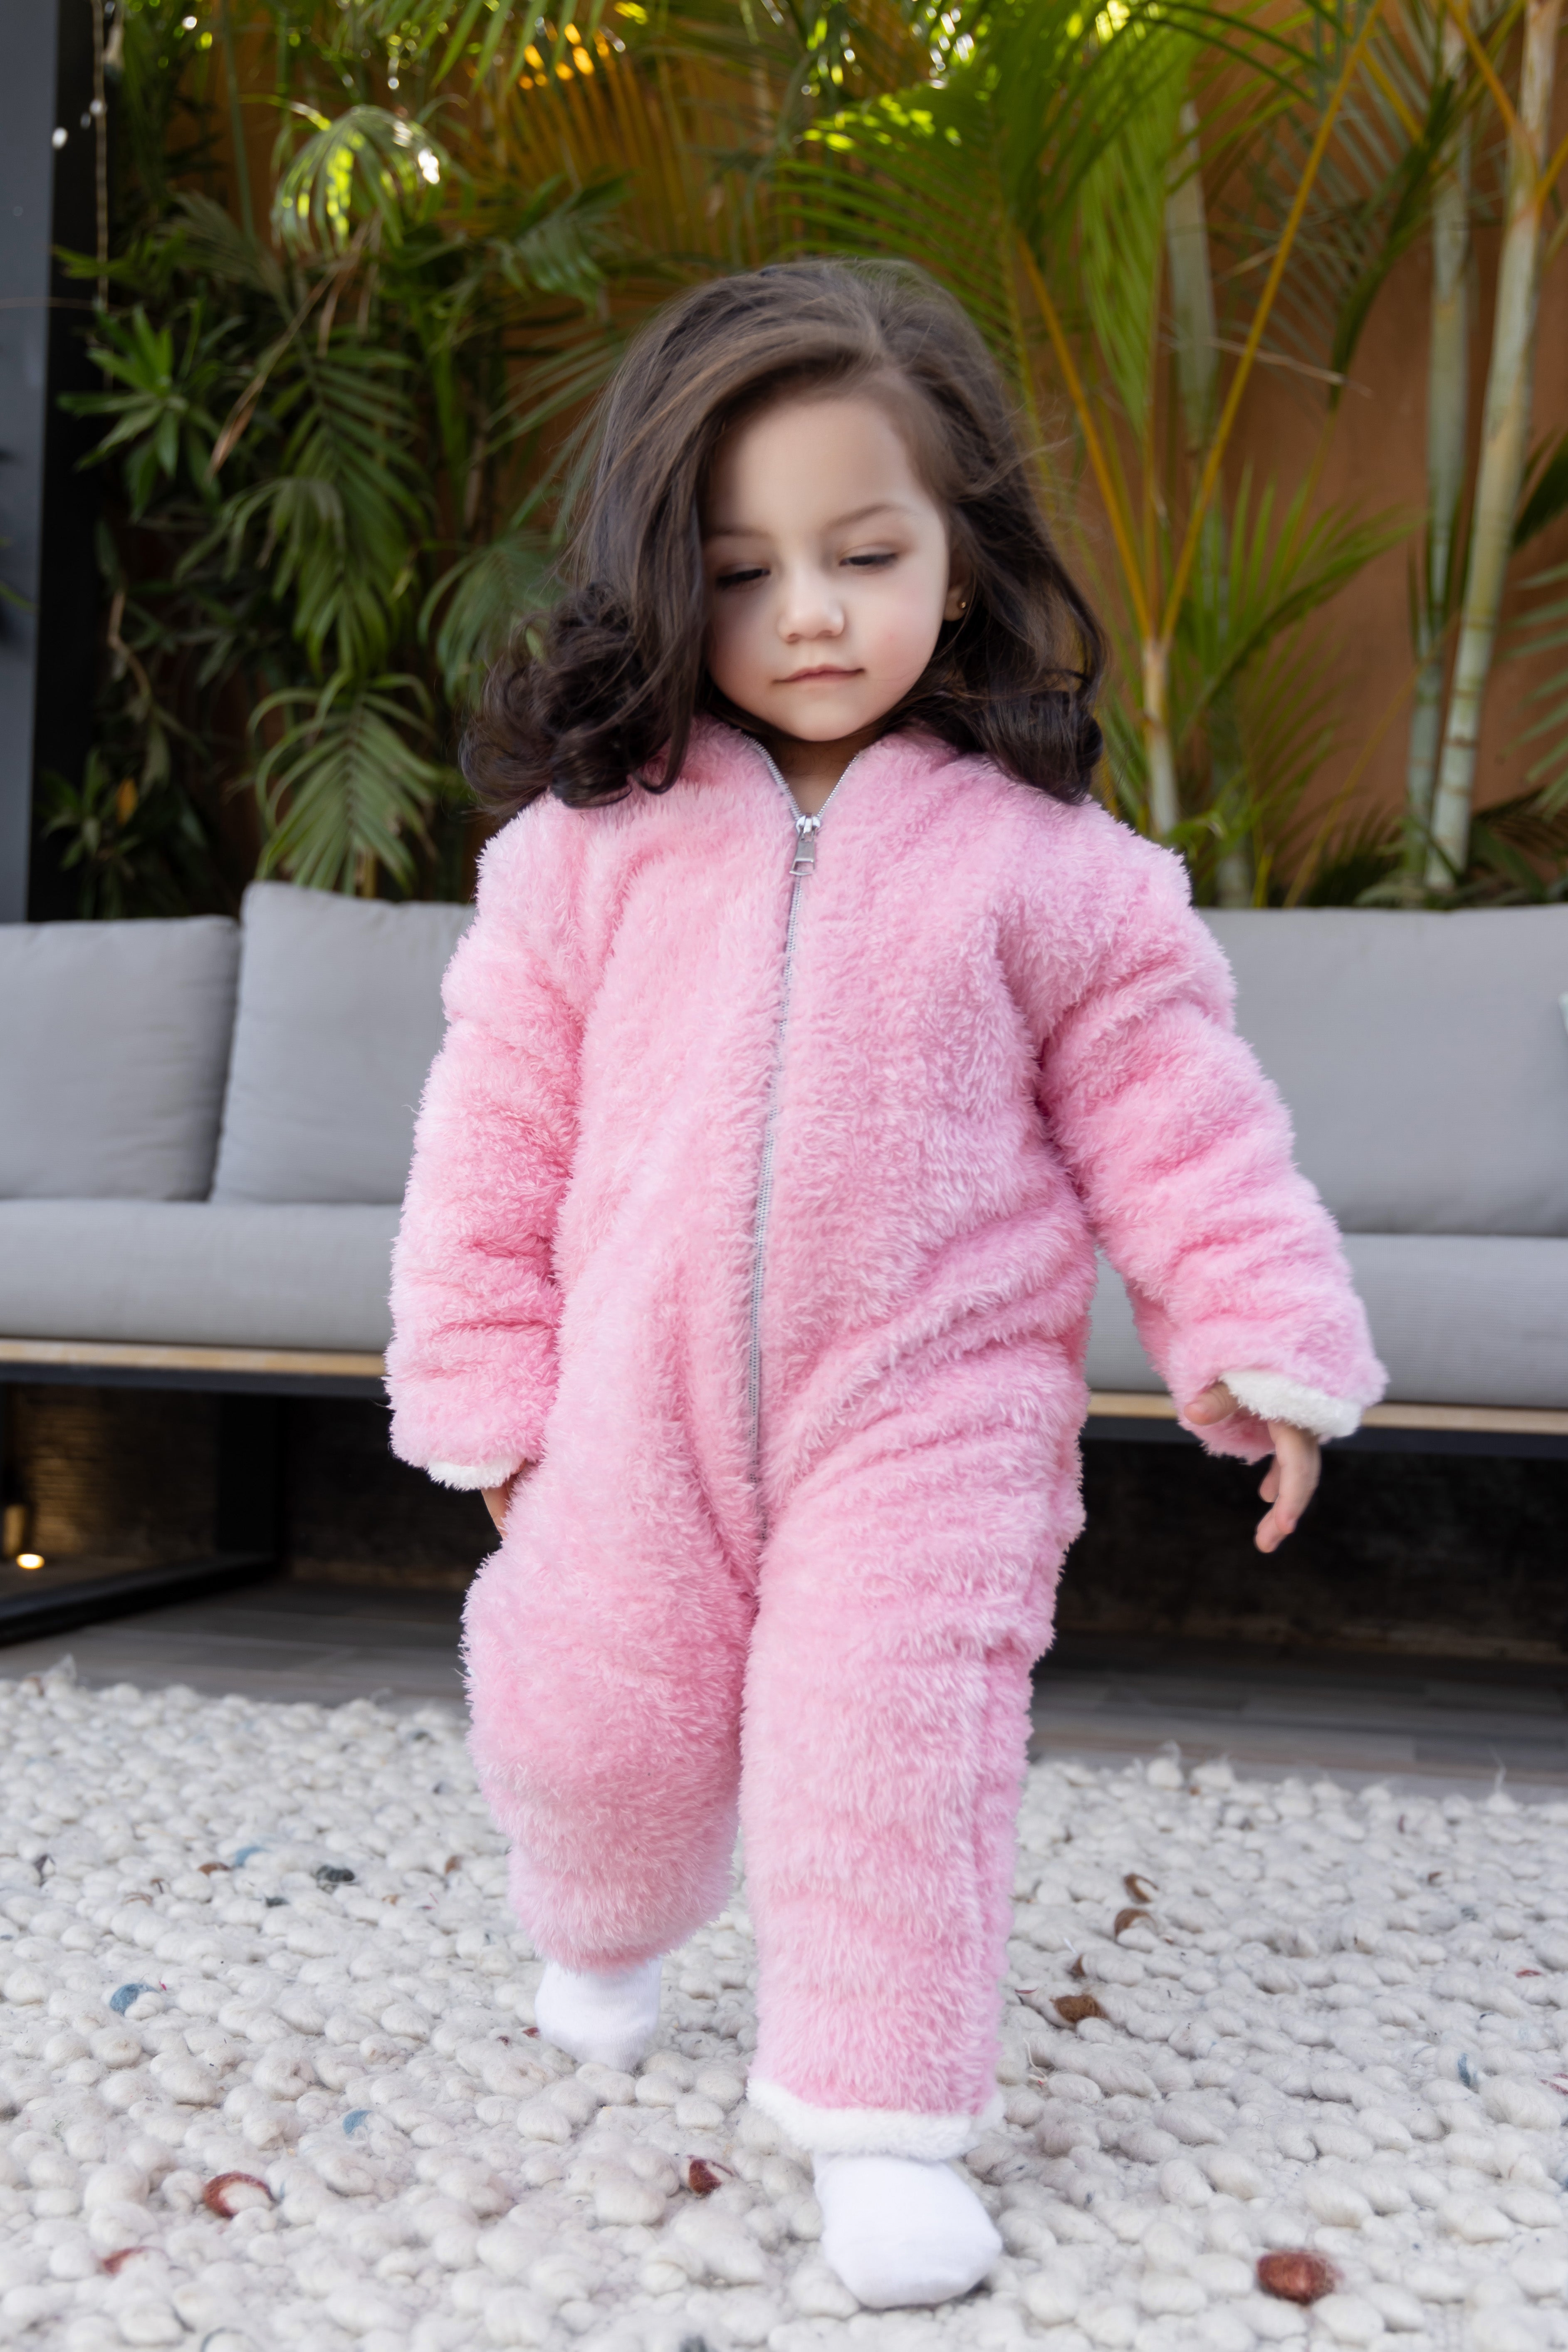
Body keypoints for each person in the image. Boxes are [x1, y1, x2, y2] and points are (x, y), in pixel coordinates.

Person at [385, 260, 1384, 2309]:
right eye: (740, 572)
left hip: (933, 1408)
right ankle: (605, 1924)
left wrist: (1257, 1330)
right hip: (639, 1397)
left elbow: (1181, 1115)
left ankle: (881, 2123)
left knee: (887, 1747)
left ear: (962, 552)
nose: (810, 616)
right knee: (596, 1730)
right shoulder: (584, 853)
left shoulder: (1051, 866)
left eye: (863, 555)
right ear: (665, 584)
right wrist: (485, 1384)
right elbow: (494, 1129)